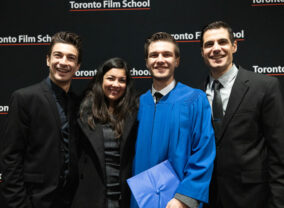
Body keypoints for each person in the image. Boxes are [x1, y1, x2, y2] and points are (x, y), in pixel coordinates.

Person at [200, 21, 284, 208]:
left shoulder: (264, 87)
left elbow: (279, 154)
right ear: (202, 52)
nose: (216, 49)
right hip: (208, 198)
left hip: (253, 198)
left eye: (222, 42)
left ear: (234, 46)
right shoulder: (195, 95)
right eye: (209, 44)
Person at [130, 32, 216, 208]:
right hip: (140, 200)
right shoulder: (137, 104)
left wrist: (185, 198)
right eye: (154, 55)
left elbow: (203, 153)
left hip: (178, 202)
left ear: (177, 61)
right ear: (146, 62)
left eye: (167, 55)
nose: (160, 60)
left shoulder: (194, 100)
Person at [1, 31, 82, 208]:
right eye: (58, 55)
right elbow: (11, 158)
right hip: (36, 200)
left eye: (70, 58)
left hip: (71, 200)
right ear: (48, 60)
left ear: (77, 66)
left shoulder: (78, 103)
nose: (63, 62)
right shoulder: (24, 98)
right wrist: (20, 204)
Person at [71, 57, 138, 208]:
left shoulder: (134, 112)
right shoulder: (82, 110)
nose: (116, 84)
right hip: (90, 197)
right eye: (111, 78)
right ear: (101, 80)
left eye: (122, 80)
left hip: (124, 198)